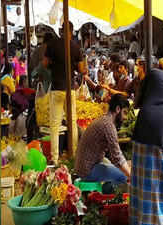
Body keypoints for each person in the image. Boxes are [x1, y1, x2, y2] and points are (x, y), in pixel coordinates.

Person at [130, 69, 163, 225]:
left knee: (141, 183)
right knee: (162, 188)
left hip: (142, 126)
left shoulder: (153, 75)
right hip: (160, 134)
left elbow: (136, 102)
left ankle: (139, 219)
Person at [43, 21, 86, 164]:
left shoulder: (52, 45)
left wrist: (53, 66)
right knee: (72, 122)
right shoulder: (75, 47)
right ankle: (73, 154)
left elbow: (45, 63)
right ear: (72, 31)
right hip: (70, 89)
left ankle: (55, 158)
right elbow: (81, 69)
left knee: (54, 125)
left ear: (61, 30)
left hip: (56, 89)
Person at [74, 94, 131, 185]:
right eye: (124, 113)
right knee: (123, 176)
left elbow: (114, 156)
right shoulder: (108, 125)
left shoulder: (104, 120)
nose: (125, 118)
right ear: (117, 109)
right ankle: (109, 194)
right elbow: (117, 157)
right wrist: (130, 175)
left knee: (116, 167)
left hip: (84, 167)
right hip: (87, 171)